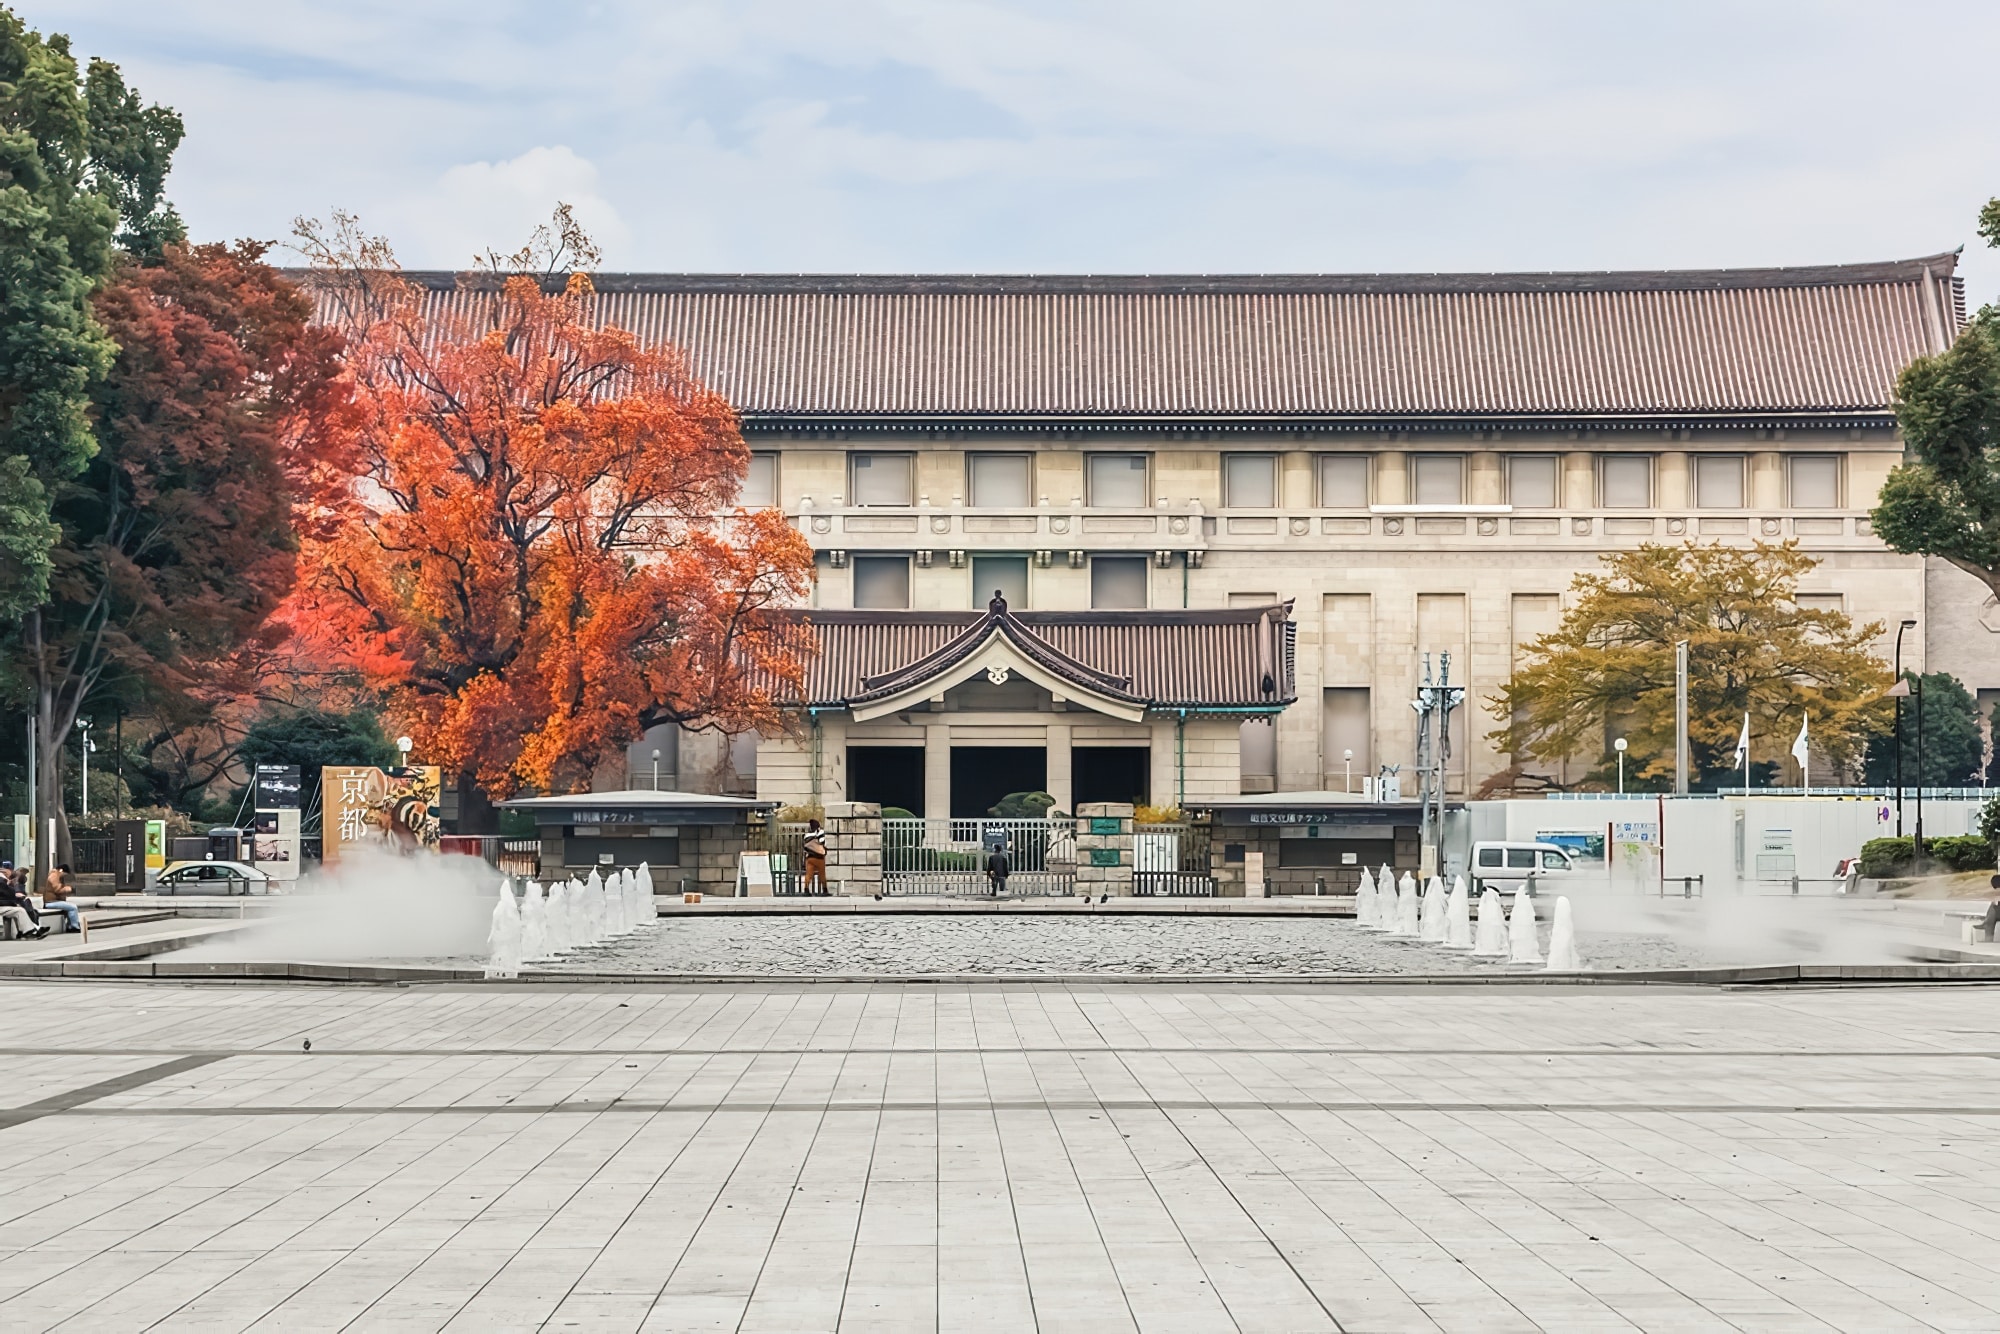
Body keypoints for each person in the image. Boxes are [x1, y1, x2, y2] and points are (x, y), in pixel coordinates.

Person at [0, 866, 48, 939]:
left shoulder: (4, 880)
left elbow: (7, 894)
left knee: (22, 909)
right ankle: (30, 931)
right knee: (21, 910)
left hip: (4, 905)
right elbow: (8, 893)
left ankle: (28, 931)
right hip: (2, 906)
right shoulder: (3, 881)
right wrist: (8, 883)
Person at [41, 863, 81, 934]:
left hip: (54, 901)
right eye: (64, 874)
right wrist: (67, 889)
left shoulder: (57, 876)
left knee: (69, 907)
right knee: (73, 907)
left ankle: (70, 925)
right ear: (61, 870)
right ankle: (74, 926)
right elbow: (57, 889)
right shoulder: (54, 876)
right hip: (51, 902)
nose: (64, 875)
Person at [801, 819, 827, 896]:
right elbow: (822, 842)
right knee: (822, 874)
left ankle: (806, 889)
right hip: (819, 857)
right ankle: (825, 890)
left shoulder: (806, 835)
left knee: (808, 874)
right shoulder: (820, 832)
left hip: (809, 857)